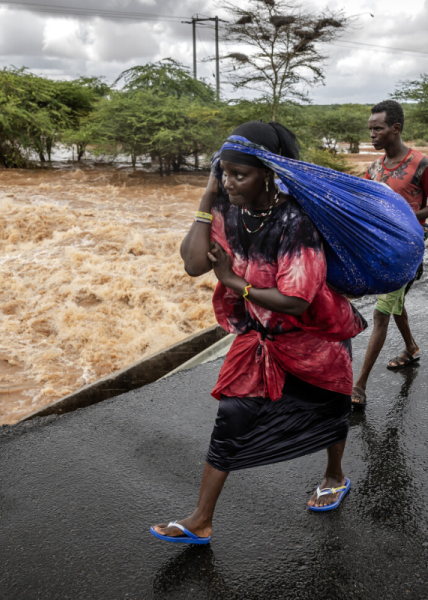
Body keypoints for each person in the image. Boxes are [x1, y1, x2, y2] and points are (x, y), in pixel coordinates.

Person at [150, 121, 367, 544]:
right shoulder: (227, 209)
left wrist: (234, 283)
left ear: (267, 173)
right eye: (223, 172)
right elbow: (194, 264)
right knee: (231, 417)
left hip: (313, 336)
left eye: (239, 174)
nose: (229, 182)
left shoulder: (295, 221)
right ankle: (200, 521)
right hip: (259, 337)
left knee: (330, 410)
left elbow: (297, 301)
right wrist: (207, 196)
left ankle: (334, 476)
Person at [351, 100, 428, 409]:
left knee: (380, 311)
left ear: (395, 129)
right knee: (394, 300)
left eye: (378, 128)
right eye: (370, 129)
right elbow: (359, 199)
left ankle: (359, 385)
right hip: (379, 248)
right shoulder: (373, 169)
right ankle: (412, 347)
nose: (372, 134)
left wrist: (407, 217)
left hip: (406, 249)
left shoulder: (422, 164)